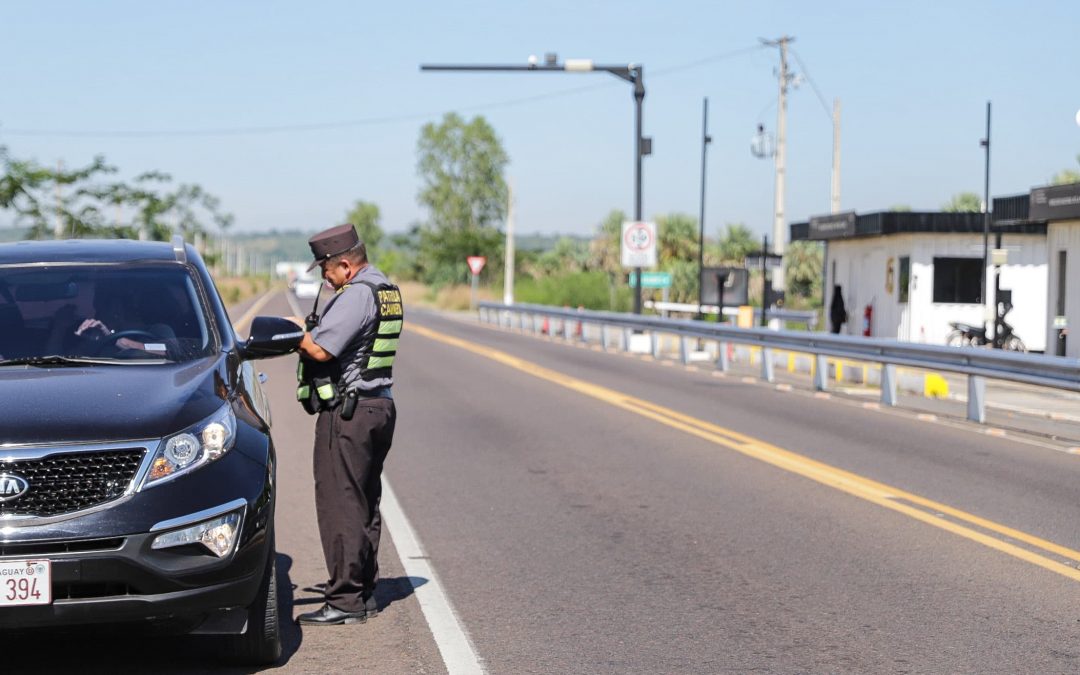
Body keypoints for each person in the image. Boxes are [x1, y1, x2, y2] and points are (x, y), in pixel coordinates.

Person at [291, 223, 403, 626]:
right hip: (378, 407)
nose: (324, 276)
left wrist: (293, 335)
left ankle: (345, 600)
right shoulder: (384, 288)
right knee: (363, 501)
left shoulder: (356, 295)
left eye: (326, 268)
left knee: (340, 503)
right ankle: (361, 589)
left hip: (351, 413)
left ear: (345, 265)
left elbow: (321, 349)